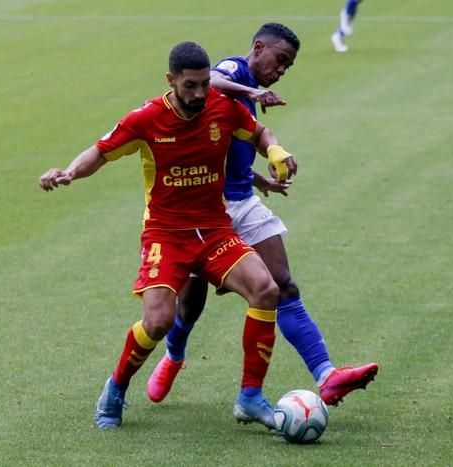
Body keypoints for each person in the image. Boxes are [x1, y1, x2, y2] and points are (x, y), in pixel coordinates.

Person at [38, 41, 298, 430]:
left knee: (266, 289)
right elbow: (100, 151)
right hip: (166, 234)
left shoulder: (222, 108)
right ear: (171, 80)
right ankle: (116, 387)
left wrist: (275, 150)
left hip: (214, 229)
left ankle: (250, 397)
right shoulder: (146, 119)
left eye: (205, 84)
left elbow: (259, 131)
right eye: (190, 85)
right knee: (159, 321)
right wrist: (70, 172)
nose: (198, 94)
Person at [146, 23, 378, 411]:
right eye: (280, 60)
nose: (282, 70)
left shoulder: (245, 96)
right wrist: (252, 90)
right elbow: (215, 80)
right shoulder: (234, 72)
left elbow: (230, 145)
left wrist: (260, 177)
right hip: (200, 211)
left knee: (283, 284)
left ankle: (326, 376)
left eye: (288, 66)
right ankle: (173, 357)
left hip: (241, 202)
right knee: (189, 305)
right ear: (258, 48)